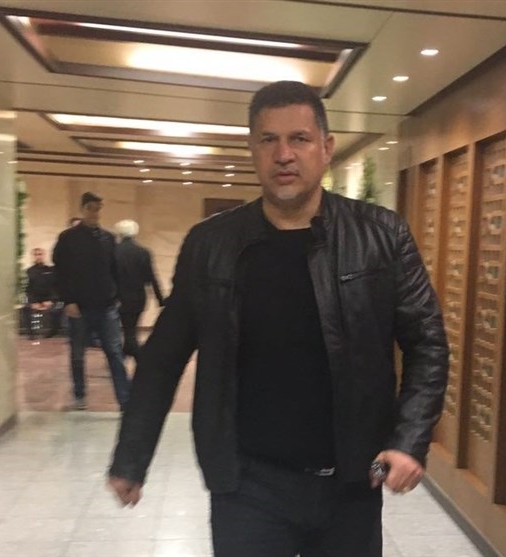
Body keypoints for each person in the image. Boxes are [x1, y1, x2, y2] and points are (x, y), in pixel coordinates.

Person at [108, 81, 448, 557]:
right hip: (247, 484)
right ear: (252, 149)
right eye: (268, 140)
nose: (283, 154)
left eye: (299, 139)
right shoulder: (211, 245)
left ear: (326, 148)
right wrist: (132, 455)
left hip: (353, 481)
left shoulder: (380, 235)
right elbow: (163, 357)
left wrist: (409, 440)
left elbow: (427, 343)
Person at [53, 192, 130, 411]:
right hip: (79, 307)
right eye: (91, 208)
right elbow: (61, 272)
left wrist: (117, 296)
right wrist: (68, 301)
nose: (95, 213)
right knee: (78, 354)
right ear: (83, 209)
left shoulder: (108, 238)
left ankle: (125, 399)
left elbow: (115, 270)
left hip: (106, 306)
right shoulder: (68, 238)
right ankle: (80, 395)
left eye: (98, 209)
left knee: (114, 352)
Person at [113, 219, 166, 361]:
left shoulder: (113, 251)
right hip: (139, 297)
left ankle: (136, 355)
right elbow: (151, 277)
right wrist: (160, 299)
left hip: (119, 296)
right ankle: (130, 352)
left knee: (128, 329)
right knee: (131, 328)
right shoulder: (143, 252)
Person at [23, 247, 62, 338]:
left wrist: (50, 301)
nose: (38, 257)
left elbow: (55, 288)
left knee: (58, 308)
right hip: (35, 299)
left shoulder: (51, 270)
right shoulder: (29, 271)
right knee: (26, 308)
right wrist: (33, 302)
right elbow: (28, 289)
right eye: (36, 255)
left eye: (40, 254)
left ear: (44, 255)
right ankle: (31, 334)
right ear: (33, 256)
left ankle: (53, 332)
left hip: (49, 299)